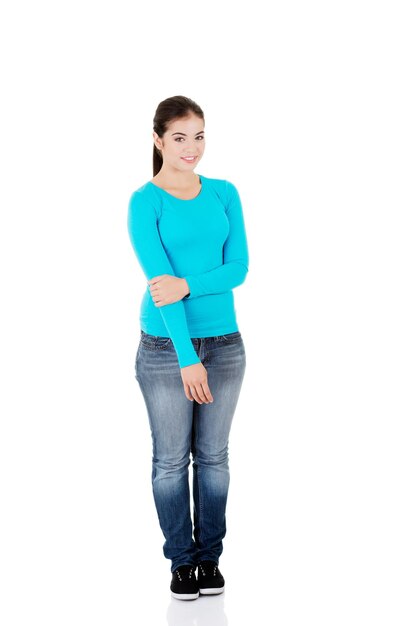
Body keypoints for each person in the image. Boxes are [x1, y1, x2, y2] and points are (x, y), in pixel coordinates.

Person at [127, 95, 249, 600]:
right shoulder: (145, 201)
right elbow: (160, 287)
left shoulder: (224, 193)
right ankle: (181, 561)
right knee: (172, 460)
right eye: (179, 137)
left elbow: (237, 268)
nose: (191, 147)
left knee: (215, 456)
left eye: (199, 136)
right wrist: (186, 357)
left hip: (226, 344)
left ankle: (209, 559)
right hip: (164, 346)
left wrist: (188, 285)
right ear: (158, 140)